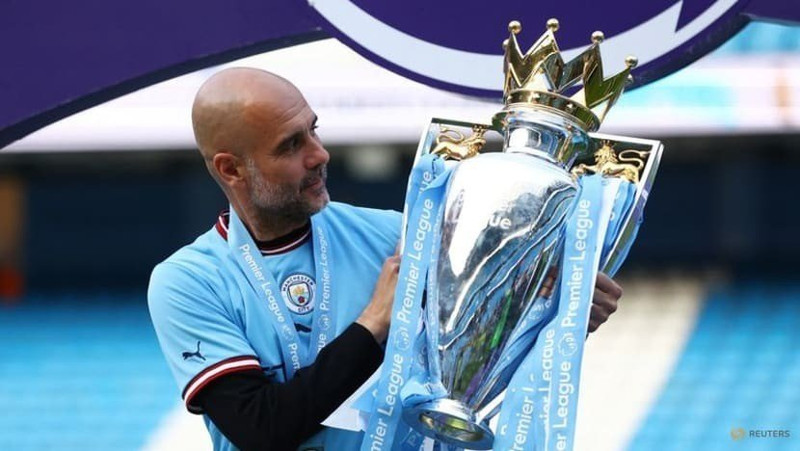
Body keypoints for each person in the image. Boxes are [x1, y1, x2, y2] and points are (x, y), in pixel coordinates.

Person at [148, 67, 623, 451]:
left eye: (313, 132)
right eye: (291, 146)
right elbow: (262, 430)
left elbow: (469, 356)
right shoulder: (189, 282)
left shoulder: (400, 235)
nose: (319, 154)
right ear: (231, 169)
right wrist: (373, 323)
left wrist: (548, 314)